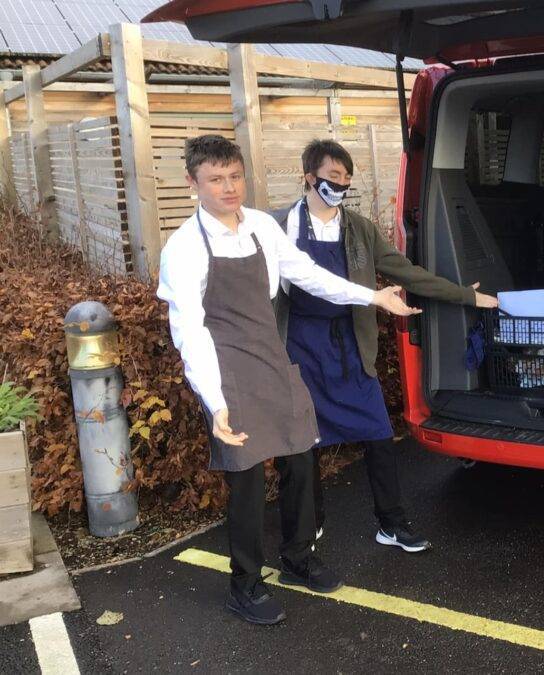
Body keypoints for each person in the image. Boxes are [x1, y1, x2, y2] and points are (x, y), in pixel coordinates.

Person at [157, 135, 420, 626]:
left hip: (275, 360)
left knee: (301, 460)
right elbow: (189, 332)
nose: (229, 187)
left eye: (235, 176)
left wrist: (372, 297)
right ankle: (246, 585)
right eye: (215, 180)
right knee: (249, 480)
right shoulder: (184, 249)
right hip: (228, 372)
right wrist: (215, 402)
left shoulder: (260, 226)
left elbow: (305, 273)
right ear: (193, 184)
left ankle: (298, 558)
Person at [273, 139, 498, 553]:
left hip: (349, 347)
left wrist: (463, 295)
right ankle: (310, 522)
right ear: (309, 177)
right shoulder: (276, 226)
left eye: (346, 178)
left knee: (378, 433)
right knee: (301, 445)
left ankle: (392, 523)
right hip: (299, 347)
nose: (340, 185)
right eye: (332, 176)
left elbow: (407, 272)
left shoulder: (360, 229)